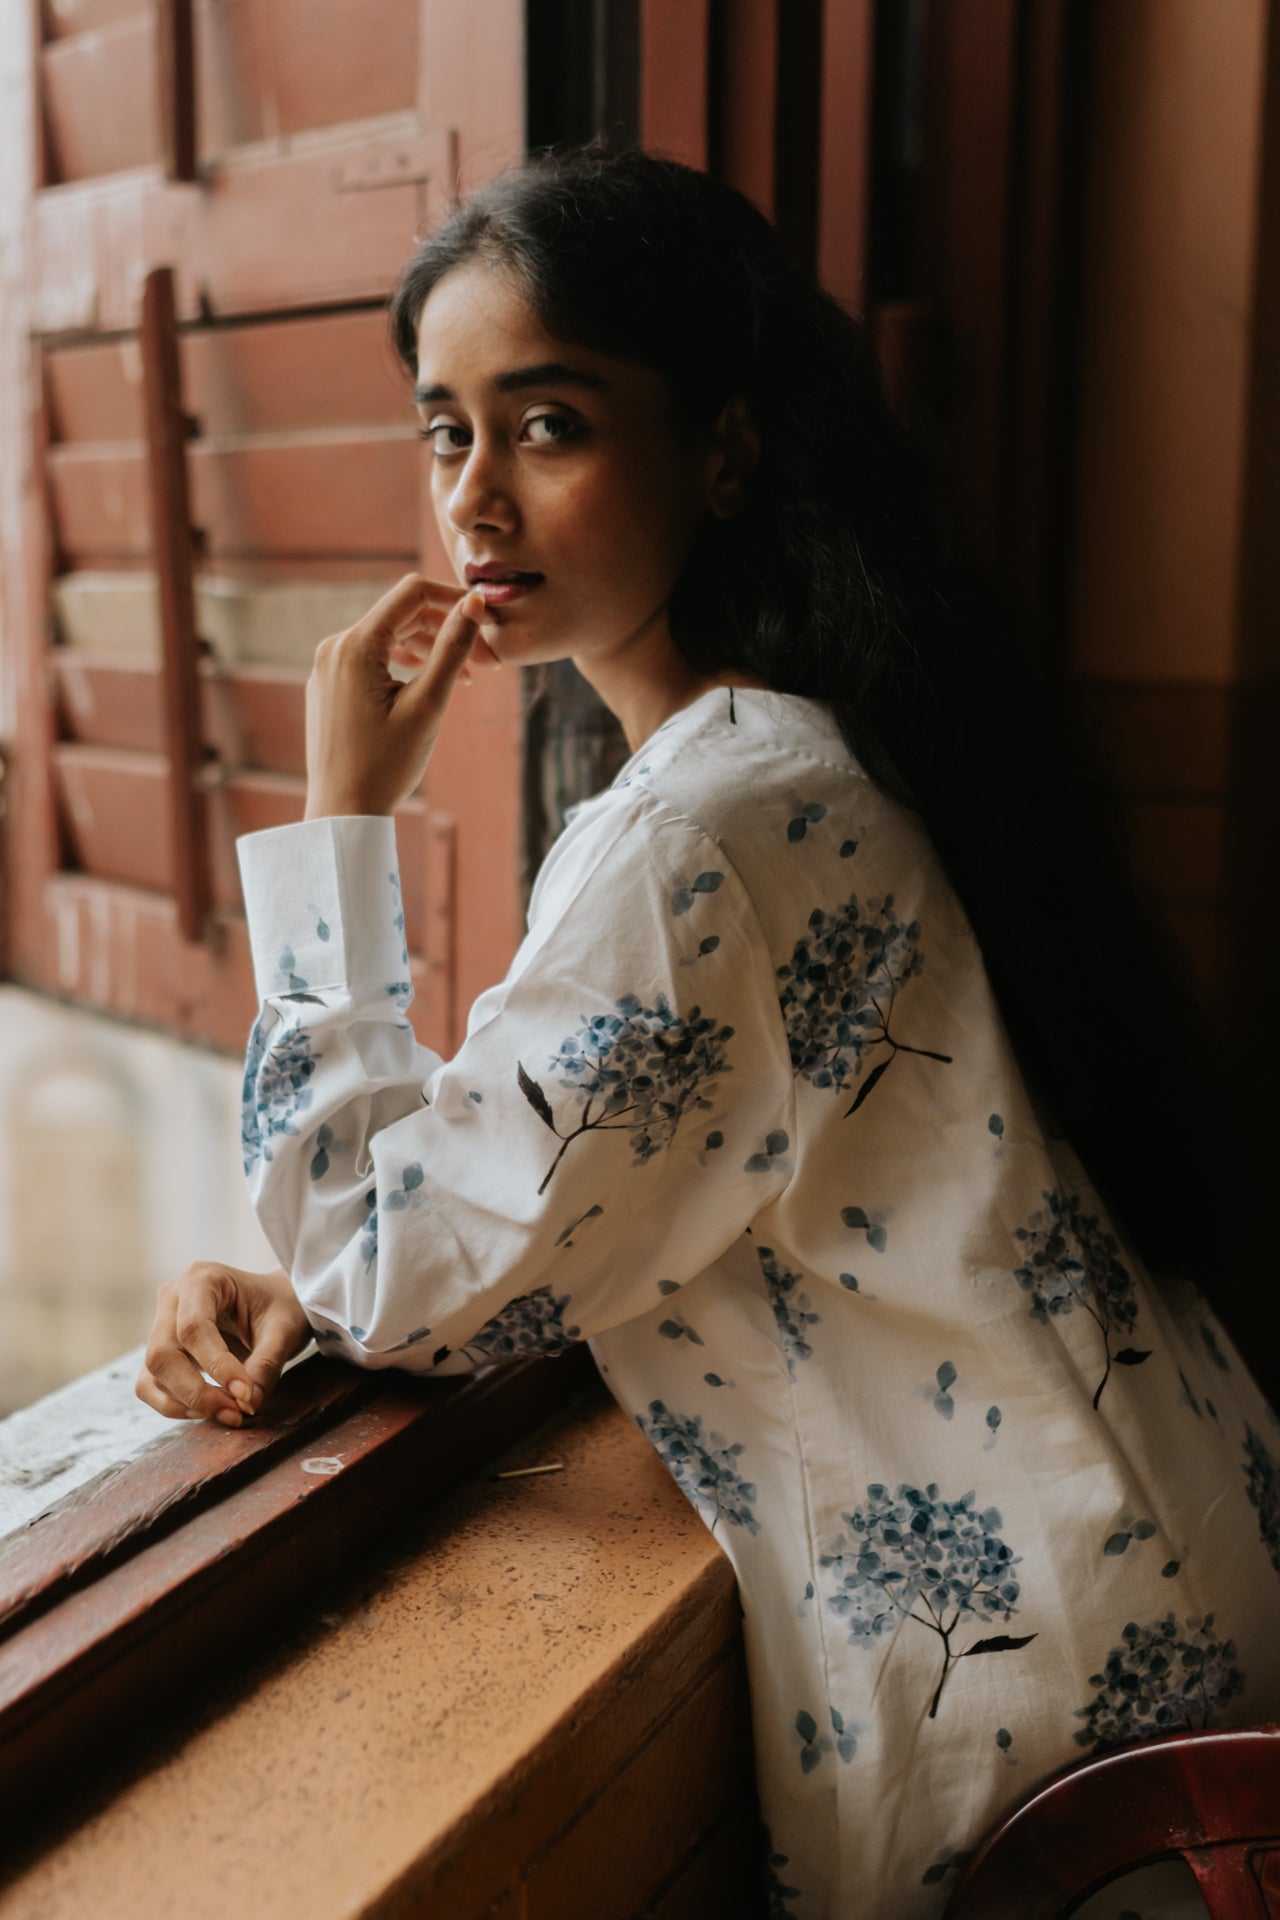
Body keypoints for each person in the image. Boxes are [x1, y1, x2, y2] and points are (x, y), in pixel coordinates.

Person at [138, 146, 1280, 1918]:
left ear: (724, 450)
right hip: (1158, 1605)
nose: (476, 503)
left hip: (1066, 1762)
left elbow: (394, 1262)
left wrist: (341, 827)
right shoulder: (825, 738)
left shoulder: (703, 832)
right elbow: (575, 1197)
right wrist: (374, 1268)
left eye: (551, 423)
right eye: (446, 429)